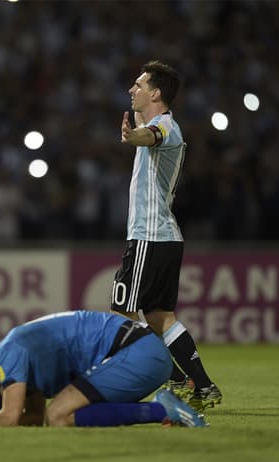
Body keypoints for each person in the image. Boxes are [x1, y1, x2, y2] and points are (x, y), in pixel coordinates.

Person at [113, 60, 221, 411]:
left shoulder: (164, 127)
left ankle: (173, 376)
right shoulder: (161, 125)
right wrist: (137, 133)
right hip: (163, 236)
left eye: (139, 85)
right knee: (160, 317)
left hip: (150, 236)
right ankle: (201, 385)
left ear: (155, 93)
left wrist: (133, 136)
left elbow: (150, 136)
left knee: (123, 313)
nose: (132, 89)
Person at [0, 310, 207, 428]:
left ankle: (163, 410)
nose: (15, 395)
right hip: (144, 355)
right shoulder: (30, 367)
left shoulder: (9, 350)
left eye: (8, 390)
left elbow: (9, 416)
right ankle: (164, 409)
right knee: (61, 413)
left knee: (58, 414)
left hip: (135, 352)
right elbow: (33, 418)